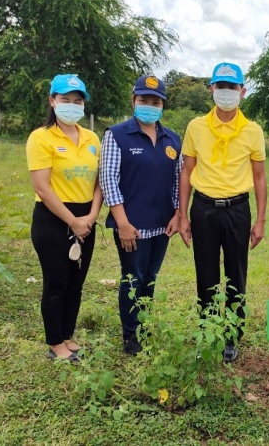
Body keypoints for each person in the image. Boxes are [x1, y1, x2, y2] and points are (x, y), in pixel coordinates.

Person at [178, 62, 267, 363]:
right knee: (205, 273)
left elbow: (259, 177)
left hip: (237, 209)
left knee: (235, 274)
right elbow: (186, 171)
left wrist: (261, 220)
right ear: (211, 89)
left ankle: (232, 335)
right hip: (203, 208)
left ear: (242, 91)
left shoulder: (252, 130)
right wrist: (182, 215)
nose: (226, 92)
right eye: (221, 86)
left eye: (232, 87)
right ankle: (206, 330)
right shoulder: (196, 127)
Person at [99, 75, 182, 356]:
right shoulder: (117, 135)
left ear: (163, 105)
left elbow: (178, 180)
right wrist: (122, 223)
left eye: (155, 102)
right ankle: (131, 335)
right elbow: (108, 179)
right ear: (133, 101)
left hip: (162, 225)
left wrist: (178, 213)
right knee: (132, 278)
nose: (149, 106)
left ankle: (145, 326)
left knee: (150, 277)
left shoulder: (172, 139)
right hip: (131, 226)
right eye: (144, 100)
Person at [26, 74, 102, 362]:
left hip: (86, 219)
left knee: (75, 283)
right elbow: (42, 188)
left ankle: (68, 336)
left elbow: (99, 182)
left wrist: (91, 216)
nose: (72, 105)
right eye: (65, 99)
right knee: (56, 283)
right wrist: (73, 221)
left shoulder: (92, 138)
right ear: (52, 101)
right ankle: (55, 343)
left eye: (77, 101)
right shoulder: (41, 138)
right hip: (53, 219)